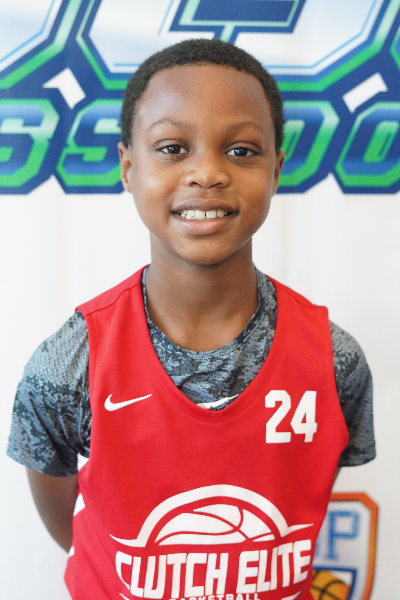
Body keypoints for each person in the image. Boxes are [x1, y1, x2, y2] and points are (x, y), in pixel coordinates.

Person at [7, 39, 375, 600]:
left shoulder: (334, 358)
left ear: (276, 170)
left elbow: (307, 490)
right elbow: (66, 518)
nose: (207, 172)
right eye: (173, 148)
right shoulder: (70, 362)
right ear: (128, 166)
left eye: (242, 150)